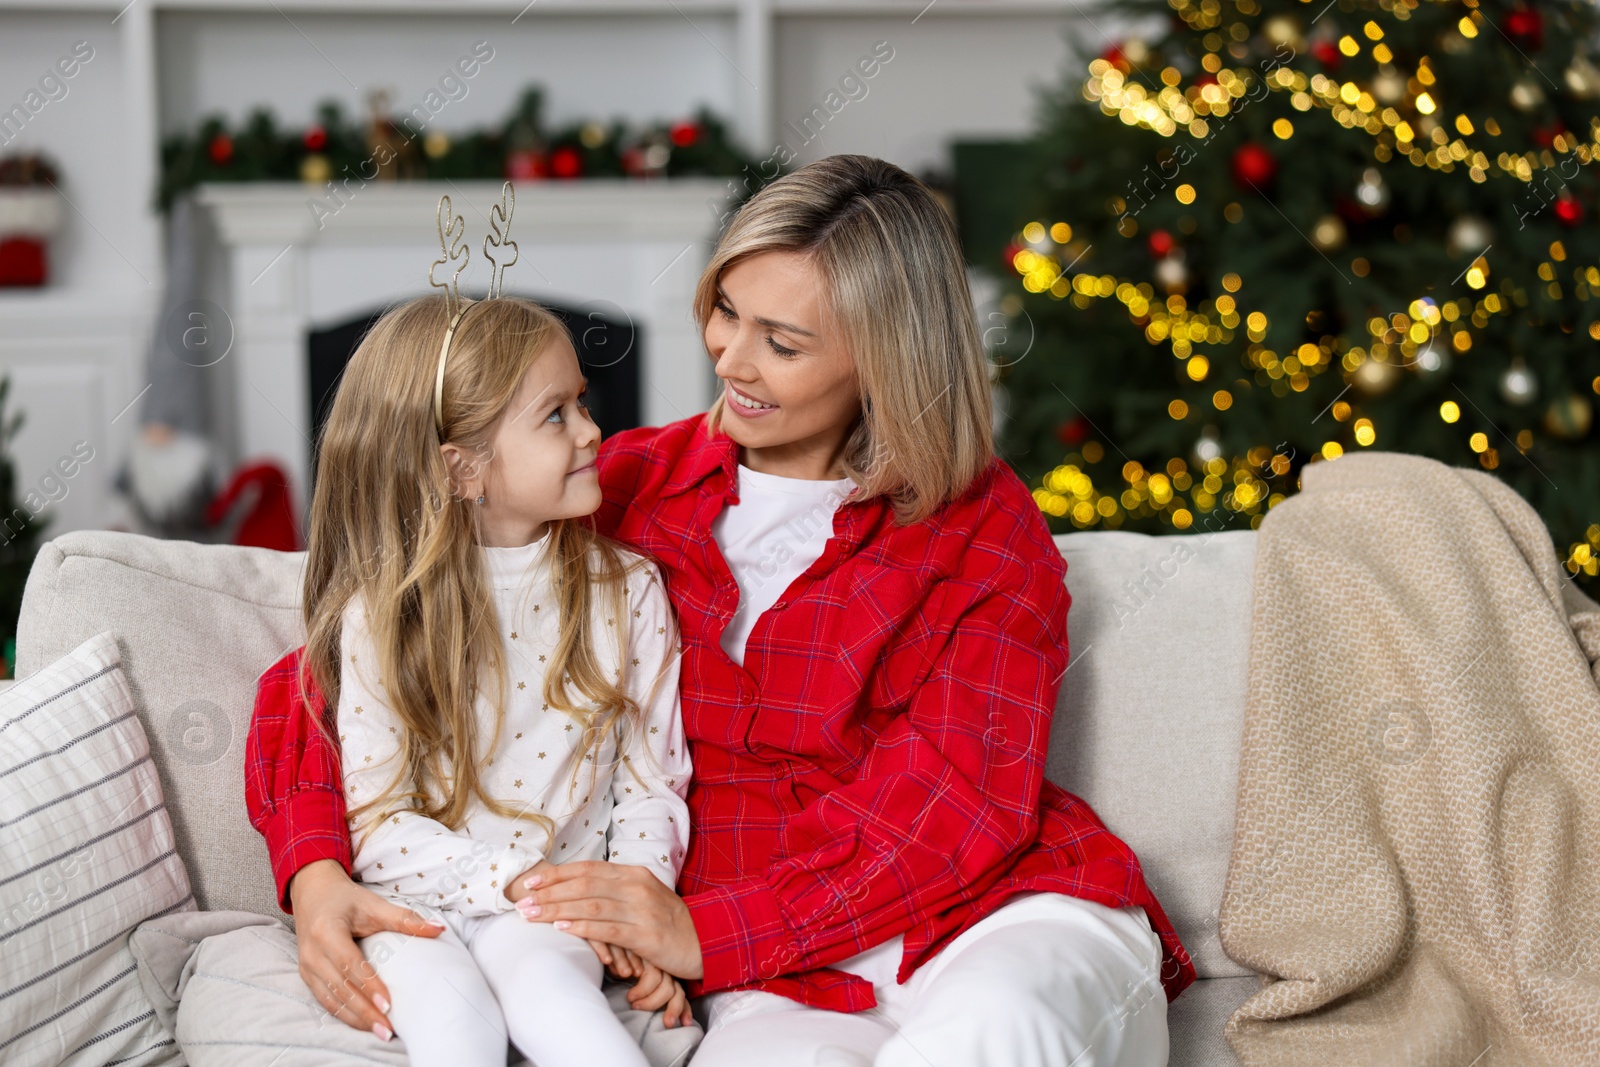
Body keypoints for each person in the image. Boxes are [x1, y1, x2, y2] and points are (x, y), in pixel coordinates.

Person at [246, 154, 1197, 1066]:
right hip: (778, 981)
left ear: (889, 360)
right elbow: (333, 669)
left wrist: (702, 928)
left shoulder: (985, 530)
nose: (731, 360)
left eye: (782, 343)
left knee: (990, 1039)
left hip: (995, 916)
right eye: (725, 313)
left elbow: (955, 805)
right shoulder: (620, 491)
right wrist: (317, 869)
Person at [272, 292, 694, 1066]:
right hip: (413, 906)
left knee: (561, 1008)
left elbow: (650, 784)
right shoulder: (379, 615)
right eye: (556, 415)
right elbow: (376, 818)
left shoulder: (628, 590)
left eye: (583, 401)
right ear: (462, 468)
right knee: (455, 1028)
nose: (594, 430)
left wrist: (630, 905)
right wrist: (517, 879)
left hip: (551, 911)